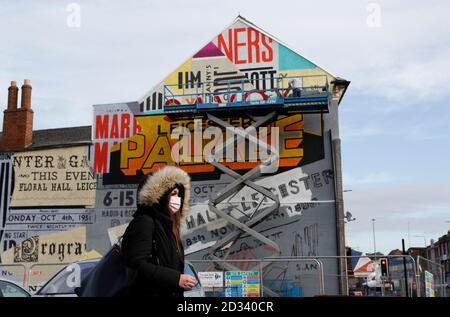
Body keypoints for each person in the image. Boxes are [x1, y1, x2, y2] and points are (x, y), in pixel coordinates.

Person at [121, 165, 197, 297]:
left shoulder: (168, 228)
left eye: (178, 195)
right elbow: (136, 264)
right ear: (160, 196)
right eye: (173, 194)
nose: (177, 199)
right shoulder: (144, 222)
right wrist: (176, 279)